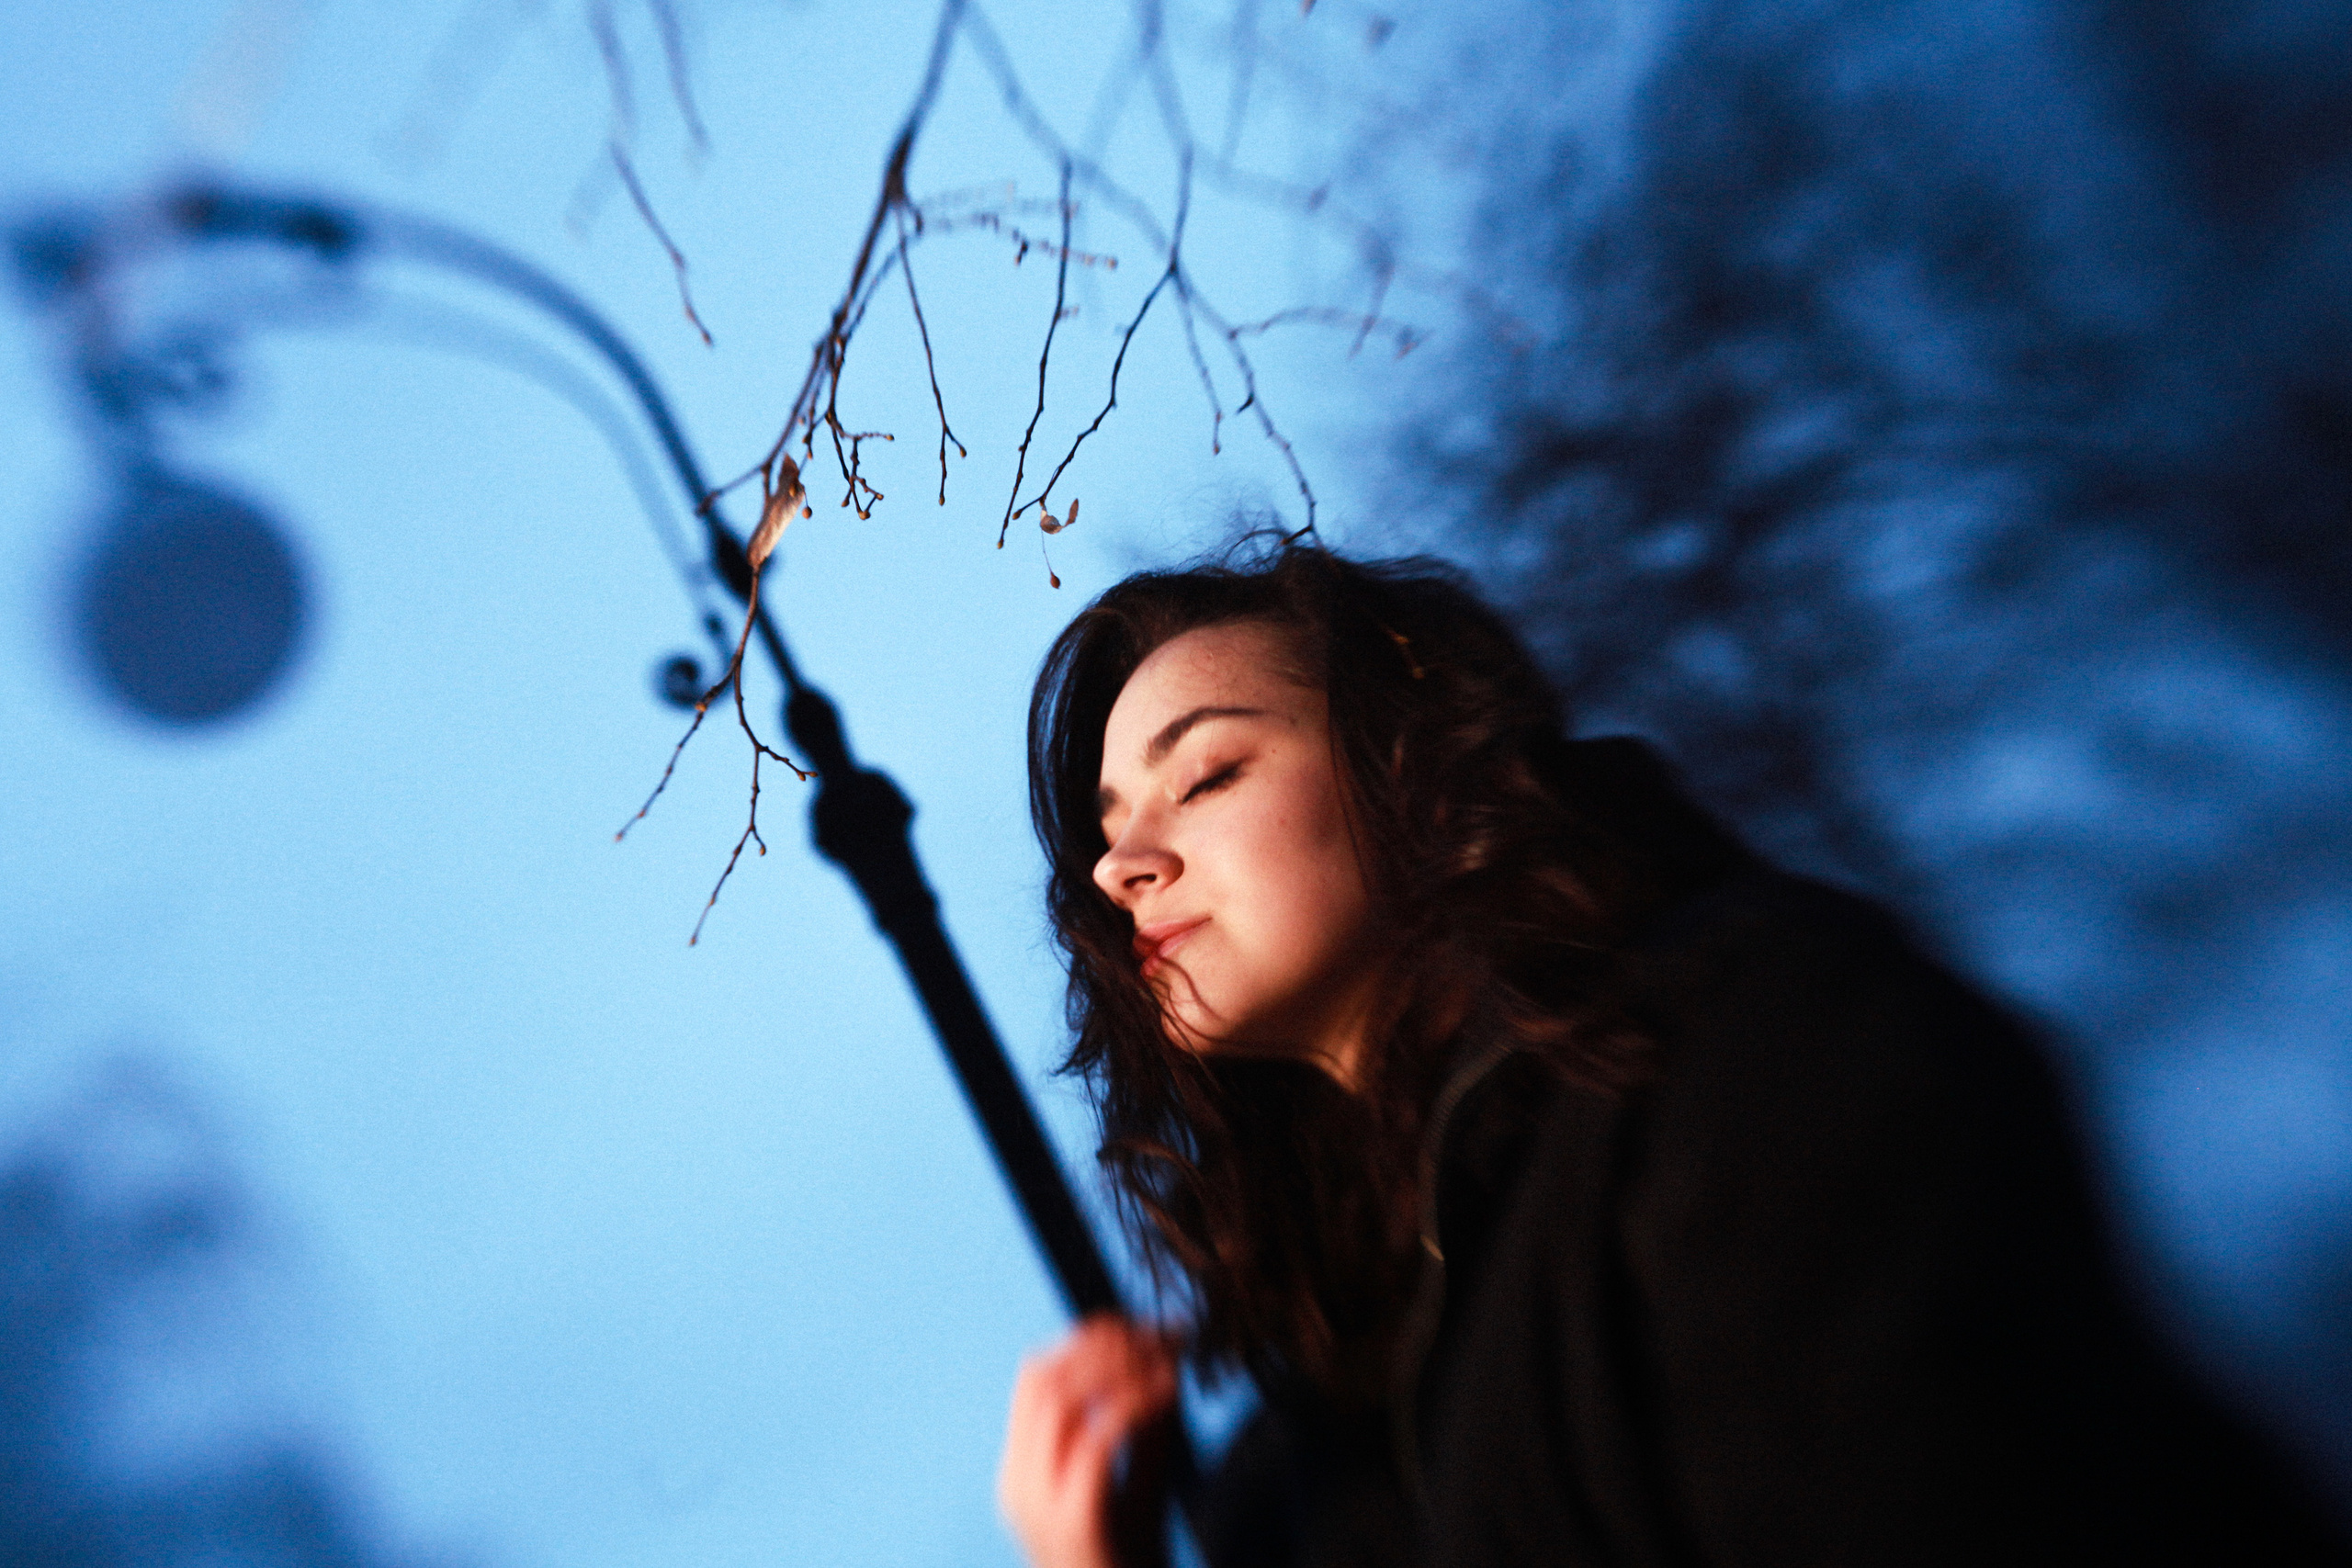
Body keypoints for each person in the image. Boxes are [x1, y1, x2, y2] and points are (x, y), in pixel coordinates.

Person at [996, 543, 2346, 1568]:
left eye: (1210, 773)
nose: (1125, 863)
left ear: (1406, 765)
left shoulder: (1757, 1052)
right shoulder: (1306, 1459)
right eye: (1110, 828)